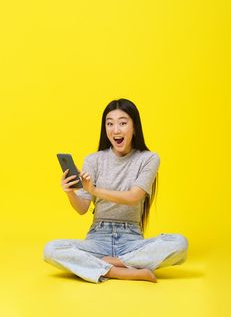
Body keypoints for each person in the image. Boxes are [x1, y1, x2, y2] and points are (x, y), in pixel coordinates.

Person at [43, 98, 189, 283]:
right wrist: (69, 192)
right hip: (98, 237)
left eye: (122, 123)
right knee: (51, 249)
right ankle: (121, 271)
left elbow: (134, 197)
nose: (116, 130)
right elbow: (81, 209)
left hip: (132, 241)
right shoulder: (93, 160)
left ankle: (107, 264)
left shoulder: (149, 159)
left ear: (134, 127)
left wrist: (95, 190)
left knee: (180, 243)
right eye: (109, 123)